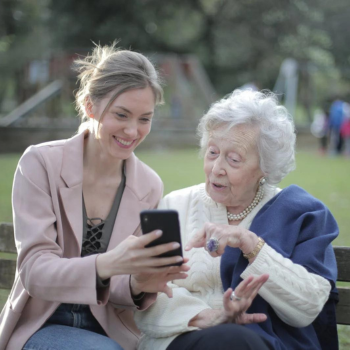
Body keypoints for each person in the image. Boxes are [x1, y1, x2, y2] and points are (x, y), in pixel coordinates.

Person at [0, 43, 190, 350]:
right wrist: (106, 263)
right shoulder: (40, 163)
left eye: (145, 118)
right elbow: (35, 271)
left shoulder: (149, 185)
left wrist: (138, 284)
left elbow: (118, 287)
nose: (132, 131)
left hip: (111, 332)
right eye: (122, 114)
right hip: (41, 325)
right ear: (90, 106)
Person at [135, 90, 339, 350]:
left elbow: (309, 306)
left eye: (233, 159)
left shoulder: (301, 215)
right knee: (232, 340)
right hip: (181, 339)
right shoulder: (175, 205)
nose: (216, 168)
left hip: (264, 344)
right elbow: (146, 292)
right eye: (212, 152)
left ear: (265, 167)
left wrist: (251, 244)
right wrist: (208, 317)